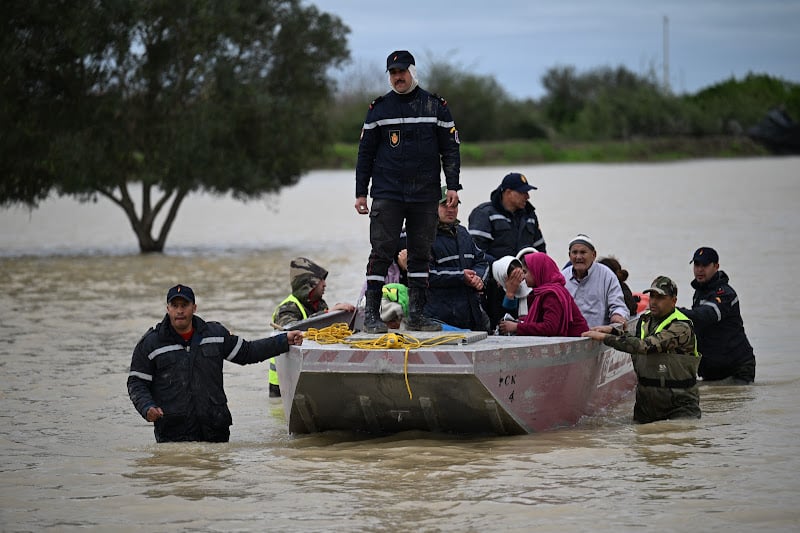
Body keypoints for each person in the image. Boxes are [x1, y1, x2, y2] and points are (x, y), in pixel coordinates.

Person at [355, 49, 461, 334]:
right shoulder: (379, 109)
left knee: (420, 253)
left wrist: (452, 185)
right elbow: (364, 153)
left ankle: (416, 314)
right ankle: (372, 316)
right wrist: (360, 193)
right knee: (381, 251)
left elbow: (451, 149)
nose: (397, 77)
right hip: (388, 192)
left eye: (402, 72)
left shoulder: (435, 106)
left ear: (412, 72)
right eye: (392, 73)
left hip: (425, 194)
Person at [127, 284, 304, 443]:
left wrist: (284, 341)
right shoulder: (151, 343)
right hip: (173, 436)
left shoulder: (215, 334)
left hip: (215, 433)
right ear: (168, 308)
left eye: (184, 305)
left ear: (194, 308)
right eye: (175, 306)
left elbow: (248, 352)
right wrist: (146, 407)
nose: (179, 311)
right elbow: (136, 382)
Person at [583, 276, 701, 424]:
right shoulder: (646, 319)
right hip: (646, 407)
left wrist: (605, 338)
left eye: (660, 297)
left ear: (673, 301)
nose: (653, 301)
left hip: (679, 407)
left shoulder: (681, 326)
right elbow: (633, 339)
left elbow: (645, 346)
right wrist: (612, 331)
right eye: (652, 296)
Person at [468, 172, 546, 329]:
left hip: (526, 284)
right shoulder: (484, 214)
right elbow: (476, 252)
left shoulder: (530, 216)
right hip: (494, 284)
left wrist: (538, 276)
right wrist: (504, 269)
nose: (527, 197)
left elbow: (541, 251)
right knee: (497, 324)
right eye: (523, 192)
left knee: (526, 323)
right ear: (508, 193)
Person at [271, 257, 355, 397]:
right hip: (284, 386)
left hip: (309, 377)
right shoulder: (287, 308)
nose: (324, 284)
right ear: (308, 285)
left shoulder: (319, 305)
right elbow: (290, 331)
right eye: (320, 280)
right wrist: (328, 313)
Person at [679, 247, 756, 384]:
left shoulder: (725, 294)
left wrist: (673, 311)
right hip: (713, 370)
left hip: (736, 370)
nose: (700, 270)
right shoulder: (699, 293)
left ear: (716, 266)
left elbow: (705, 316)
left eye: (705, 265)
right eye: (697, 265)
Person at [426, 186, 491, 331]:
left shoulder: (463, 233)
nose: (451, 209)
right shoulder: (425, 236)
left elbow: (482, 261)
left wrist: (478, 278)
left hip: (470, 313)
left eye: (454, 205)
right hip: (440, 316)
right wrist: (461, 277)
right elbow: (426, 275)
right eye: (445, 205)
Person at [498, 252, 589, 337]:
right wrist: (523, 321)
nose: (523, 277)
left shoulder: (551, 295)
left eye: (525, 272)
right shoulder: (543, 292)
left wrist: (517, 327)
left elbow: (550, 327)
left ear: (537, 271)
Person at [561, 234, 629, 328]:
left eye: (583, 252)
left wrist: (617, 315)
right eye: (574, 252)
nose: (578, 257)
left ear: (594, 255)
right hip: (568, 336)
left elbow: (619, 306)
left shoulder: (607, 275)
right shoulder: (562, 277)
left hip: (598, 335)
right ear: (569, 255)